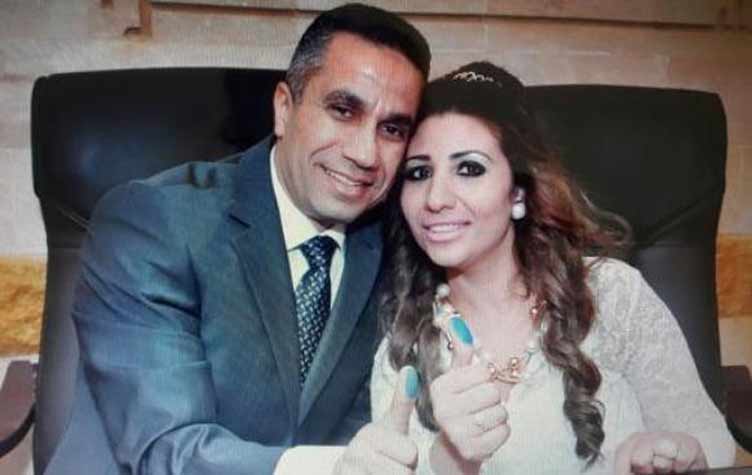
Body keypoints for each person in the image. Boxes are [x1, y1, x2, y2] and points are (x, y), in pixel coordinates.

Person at [43, 4, 430, 474]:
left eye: (392, 129)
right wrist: (337, 468)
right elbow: (167, 451)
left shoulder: (386, 244)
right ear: (284, 108)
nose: (366, 153)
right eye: (343, 110)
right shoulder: (153, 221)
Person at [359, 61, 736, 475]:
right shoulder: (403, 345)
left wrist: (673, 451)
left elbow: (713, 439)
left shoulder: (612, 295)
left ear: (518, 194)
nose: (435, 199)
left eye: (469, 169)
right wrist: (452, 457)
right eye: (418, 173)